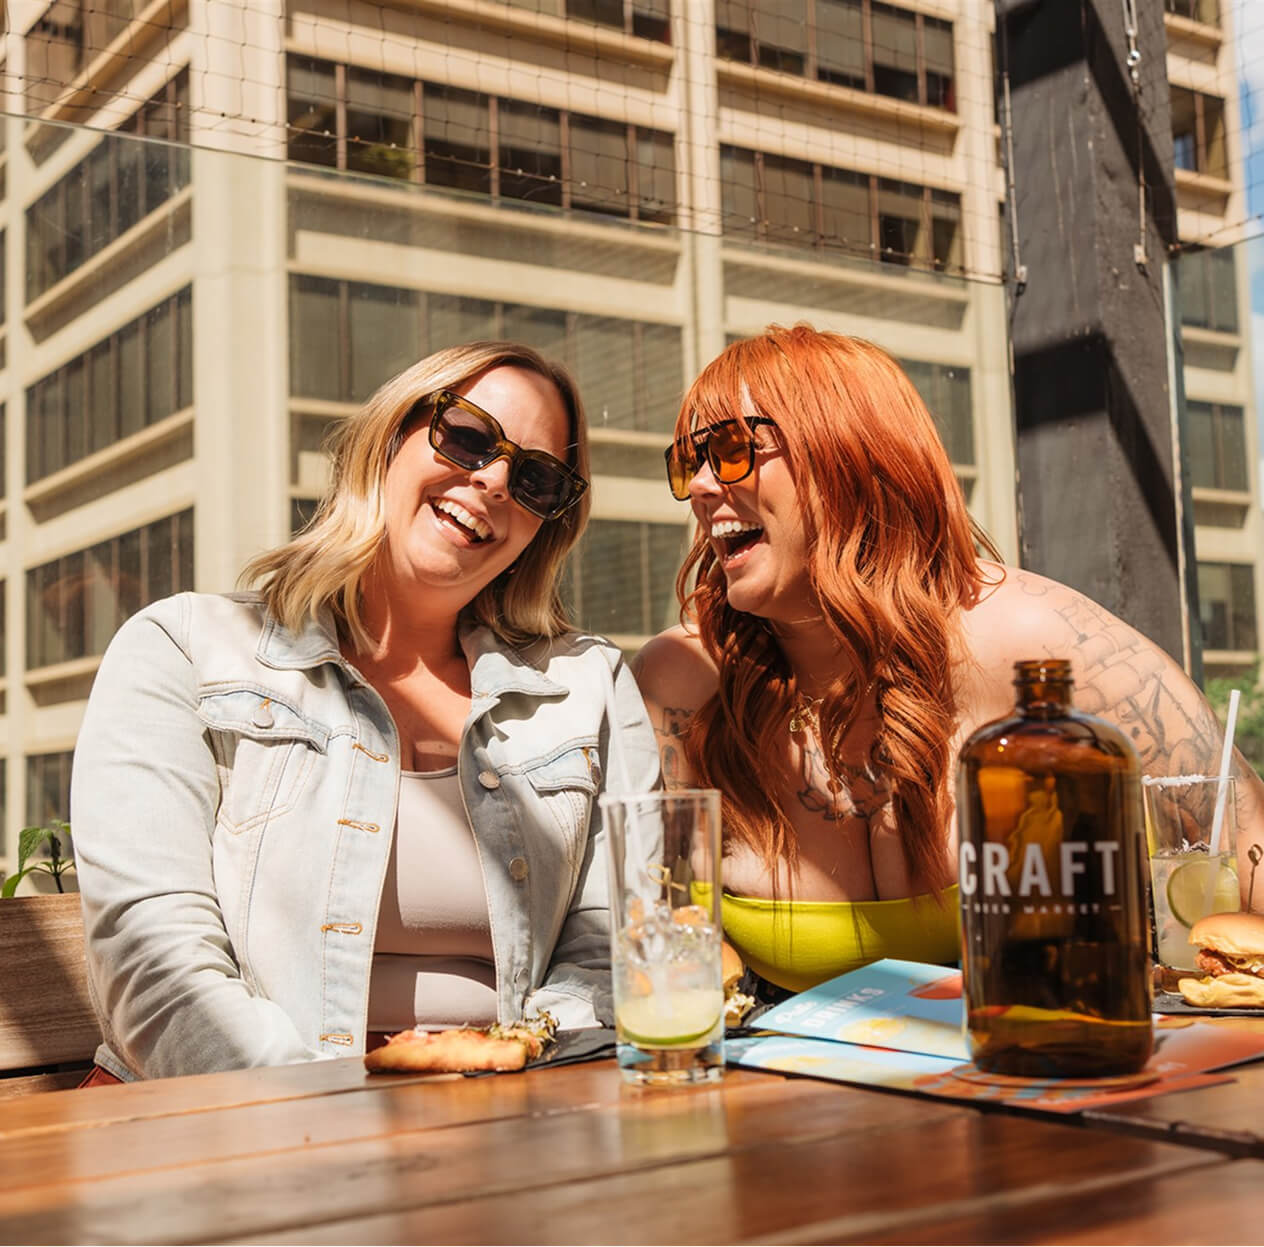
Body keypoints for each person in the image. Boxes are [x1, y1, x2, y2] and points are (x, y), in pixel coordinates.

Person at [71, 341, 658, 1081]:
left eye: (537, 478)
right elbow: (155, 966)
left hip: (508, 1121)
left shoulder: (591, 685)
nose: (494, 481)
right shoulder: (183, 649)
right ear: (392, 434)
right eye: (471, 436)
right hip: (232, 1127)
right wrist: (332, 1118)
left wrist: (507, 1078)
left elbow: (615, 952)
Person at [632, 324, 1264, 996]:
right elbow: (658, 948)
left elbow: (1241, 835)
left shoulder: (1029, 637)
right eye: (689, 460)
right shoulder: (686, 681)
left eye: (731, 449)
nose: (700, 486)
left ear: (849, 454)